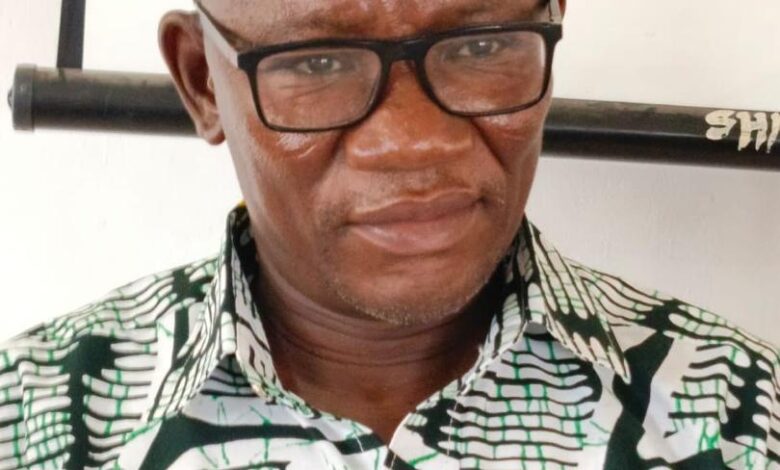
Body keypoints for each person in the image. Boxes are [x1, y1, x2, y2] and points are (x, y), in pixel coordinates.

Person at [1, 0, 778, 468]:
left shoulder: (744, 413)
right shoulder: (31, 418)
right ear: (202, 82)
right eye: (317, 63)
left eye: (482, 46)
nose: (413, 141)